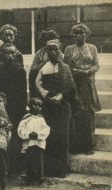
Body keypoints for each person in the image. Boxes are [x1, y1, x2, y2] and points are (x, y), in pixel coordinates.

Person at [36, 39, 81, 177]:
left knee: (62, 137)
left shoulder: (65, 67)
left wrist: (59, 97)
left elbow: (70, 86)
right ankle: (49, 170)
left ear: (60, 51)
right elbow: (37, 83)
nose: (53, 52)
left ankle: (61, 170)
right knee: (50, 136)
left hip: (63, 106)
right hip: (48, 106)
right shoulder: (43, 67)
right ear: (46, 51)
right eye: (50, 49)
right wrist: (46, 96)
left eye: (56, 49)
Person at [64, 23, 101, 155]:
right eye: (76, 33)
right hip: (74, 84)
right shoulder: (69, 49)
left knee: (88, 114)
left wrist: (87, 71)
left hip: (88, 84)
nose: (79, 36)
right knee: (76, 113)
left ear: (86, 34)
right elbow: (66, 66)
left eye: (81, 33)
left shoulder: (92, 48)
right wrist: (75, 71)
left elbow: (96, 65)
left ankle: (88, 146)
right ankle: (76, 146)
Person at [0, 45, 27, 177]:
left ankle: (14, 168)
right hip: (1, 107)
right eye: (7, 53)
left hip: (16, 108)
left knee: (14, 137)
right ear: (3, 54)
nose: (10, 56)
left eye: (13, 53)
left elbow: (23, 93)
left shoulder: (20, 70)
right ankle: (0, 168)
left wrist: (22, 109)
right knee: (0, 135)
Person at [18, 98, 50, 185]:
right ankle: (28, 179)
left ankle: (40, 179)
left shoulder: (41, 119)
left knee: (39, 162)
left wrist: (39, 135)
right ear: (30, 106)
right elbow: (20, 130)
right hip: (29, 144)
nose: (38, 107)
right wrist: (28, 135)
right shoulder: (26, 118)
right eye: (36, 105)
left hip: (39, 144)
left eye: (40, 106)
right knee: (29, 162)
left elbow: (46, 129)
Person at [29, 28, 61, 98]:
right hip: (43, 80)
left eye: (51, 38)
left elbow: (62, 66)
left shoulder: (59, 52)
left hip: (56, 81)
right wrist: (41, 66)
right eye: (46, 39)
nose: (49, 41)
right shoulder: (39, 53)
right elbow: (33, 69)